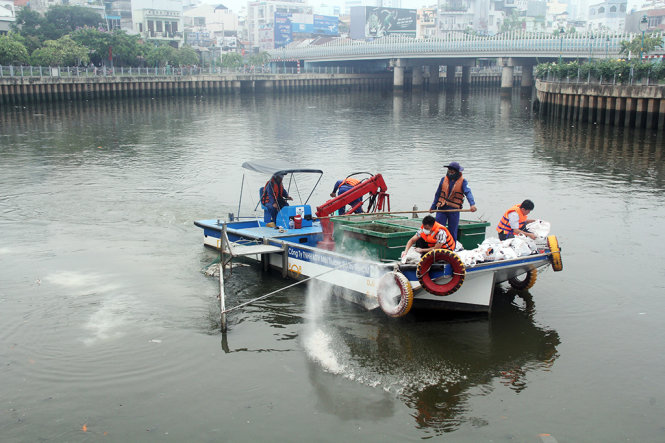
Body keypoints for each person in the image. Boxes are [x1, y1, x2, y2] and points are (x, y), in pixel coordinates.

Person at [430, 162, 477, 243]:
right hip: (442, 207)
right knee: (439, 229)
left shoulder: (463, 181)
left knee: (452, 230)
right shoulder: (443, 179)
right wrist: (433, 207)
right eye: (449, 170)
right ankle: (437, 247)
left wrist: (472, 204)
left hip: (454, 209)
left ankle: (452, 247)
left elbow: (468, 192)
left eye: (452, 171)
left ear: (457, 172)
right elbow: (438, 194)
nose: (450, 172)